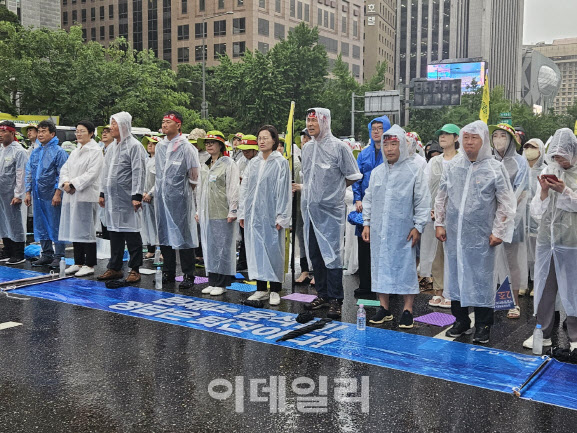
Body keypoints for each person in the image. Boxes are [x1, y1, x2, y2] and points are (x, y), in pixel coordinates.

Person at [435, 120, 516, 344]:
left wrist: (499, 230)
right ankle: (461, 321)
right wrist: (439, 223)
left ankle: (483, 325)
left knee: (482, 280)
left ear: (483, 141)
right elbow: (441, 196)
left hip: (482, 237)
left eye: (475, 138)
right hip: (454, 235)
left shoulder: (494, 168)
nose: (469, 142)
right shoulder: (453, 166)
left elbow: (506, 203)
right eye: (466, 138)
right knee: (456, 277)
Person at [362, 125, 430, 328]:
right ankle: (384, 308)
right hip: (379, 230)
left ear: (402, 145)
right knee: (380, 266)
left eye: (394, 144)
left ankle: (407, 309)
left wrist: (418, 226)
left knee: (405, 269)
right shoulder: (377, 173)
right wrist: (366, 223)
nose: (390, 149)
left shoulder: (413, 171)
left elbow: (422, 201)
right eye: (386, 144)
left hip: (404, 231)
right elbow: (369, 200)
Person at [302, 108, 362, 319]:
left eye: (314, 121)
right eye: (308, 121)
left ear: (325, 121)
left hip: (331, 212)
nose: (310, 125)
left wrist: (335, 191)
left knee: (333, 256)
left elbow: (354, 175)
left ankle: (336, 299)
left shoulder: (339, 147)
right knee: (316, 256)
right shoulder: (307, 148)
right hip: (311, 211)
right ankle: (323, 295)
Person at [523, 128, 577, 355]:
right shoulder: (548, 170)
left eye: (563, 155)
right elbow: (537, 211)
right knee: (545, 286)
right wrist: (544, 191)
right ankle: (542, 331)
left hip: (572, 242)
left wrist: (564, 190)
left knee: (573, 290)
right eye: (555, 156)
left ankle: (575, 335)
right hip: (548, 241)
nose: (559, 160)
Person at [239, 125, 291, 305]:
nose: (261, 141)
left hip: (271, 215)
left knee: (273, 251)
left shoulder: (280, 162)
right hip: (254, 215)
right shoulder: (253, 163)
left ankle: (275, 289)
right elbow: (245, 188)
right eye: (259, 138)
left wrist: (282, 216)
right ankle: (261, 288)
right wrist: (242, 212)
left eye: (265, 138)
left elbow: (283, 191)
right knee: (256, 251)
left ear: (274, 140)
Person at [97, 112, 147, 284]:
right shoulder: (111, 147)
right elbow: (106, 173)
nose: (111, 127)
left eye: (114, 123)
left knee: (132, 234)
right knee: (114, 233)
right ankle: (115, 267)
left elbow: (139, 172)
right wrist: (102, 192)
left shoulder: (134, 146)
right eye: (111, 123)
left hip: (128, 199)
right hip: (112, 199)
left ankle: (135, 269)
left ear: (124, 125)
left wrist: (137, 195)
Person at [155, 111, 201, 290]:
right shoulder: (160, 146)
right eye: (163, 121)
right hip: (162, 198)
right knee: (165, 234)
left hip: (180, 199)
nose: (164, 125)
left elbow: (194, 176)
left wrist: (184, 194)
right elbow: (159, 174)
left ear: (178, 125)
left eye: (168, 122)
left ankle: (189, 274)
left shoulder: (186, 147)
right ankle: (168, 271)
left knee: (183, 236)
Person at [490, 123, 530, 318]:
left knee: (512, 260)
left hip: (514, 219)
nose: (498, 139)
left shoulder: (520, 162)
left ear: (511, 140)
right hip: (490, 217)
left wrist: (507, 212)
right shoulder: (488, 160)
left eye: (502, 136)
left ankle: (513, 302)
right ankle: (492, 298)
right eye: (495, 135)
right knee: (489, 260)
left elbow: (522, 190)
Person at [58, 121, 104, 277]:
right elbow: (65, 168)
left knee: (87, 231)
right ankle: (78, 262)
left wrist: (73, 184)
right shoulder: (76, 150)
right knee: (75, 229)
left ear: (91, 133)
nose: (78, 134)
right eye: (77, 131)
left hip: (86, 195)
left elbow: (92, 174)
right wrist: (65, 182)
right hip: (72, 196)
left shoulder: (96, 151)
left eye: (82, 131)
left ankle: (89, 264)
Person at [421, 124, 460, 308]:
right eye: (440, 134)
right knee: (437, 253)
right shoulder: (434, 162)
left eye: (447, 134)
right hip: (437, 215)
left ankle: (453, 291)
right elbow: (426, 186)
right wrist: (429, 207)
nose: (442, 137)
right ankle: (438, 290)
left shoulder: (462, 160)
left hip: (456, 215)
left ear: (456, 138)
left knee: (454, 253)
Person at [351, 115, 390, 299]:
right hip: (365, 207)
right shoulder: (364, 153)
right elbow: (357, 178)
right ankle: (366, 285)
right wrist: (357, 199)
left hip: (385, 207)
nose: (376, 131)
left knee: (384, 248)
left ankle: (385, 286)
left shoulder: (391, 152)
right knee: (364, 246)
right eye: (373, 128)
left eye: (380, 128)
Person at [197, 131, 239, 296]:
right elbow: (200, 190)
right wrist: (198, 209)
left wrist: (233, 209)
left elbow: (233, 187)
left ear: (220, 145)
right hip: (208, 213)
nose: (208, 145)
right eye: (206, 142)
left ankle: (222, 282)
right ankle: (212, 279)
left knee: (223, 248)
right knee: (210, 248)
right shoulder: (204, 165)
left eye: (212, 142)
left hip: (222, 212)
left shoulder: (228, 163)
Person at [24, 120, 69, 268]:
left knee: (55, 224)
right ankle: (46, 254)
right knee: (41, 224)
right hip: (38, 195)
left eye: (44, 131)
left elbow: (62, 175)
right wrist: (28, 192)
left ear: (52, 134)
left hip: (52, 194)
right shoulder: (36, 152)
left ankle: (59, 255)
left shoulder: (59, 152)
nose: (40, 134)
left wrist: (58, 193)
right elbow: (29, 173)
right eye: (40, 131)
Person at [0, 121, 28, 265]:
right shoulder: (0, 149)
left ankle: (18, 253)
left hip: (12, 194)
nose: (1, 134)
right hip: (1, 194)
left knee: (15, 222)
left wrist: (18, 194)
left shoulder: (19, 151)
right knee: (3, 223)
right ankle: (7, 250)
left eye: (4, 132)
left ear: (12, 133)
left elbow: (21, 174)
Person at [522, 138, 546, 286]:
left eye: (533, 147)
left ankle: (536, 281)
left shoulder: (545, 170)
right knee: (524, 250)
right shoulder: (521, 169)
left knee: (537, 250)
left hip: (538, 217)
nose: (529, 150)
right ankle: (524, 280)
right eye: (527, 147)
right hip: (522, 216)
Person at [293, 128, 313, 285]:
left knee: (316, 239)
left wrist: (302, 187)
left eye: (308, 138)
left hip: (317, 207)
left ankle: (318, 273)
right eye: (303, 138)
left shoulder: (319, 158)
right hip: (301, 206)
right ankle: (305, 270)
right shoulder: (298, 159)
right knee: (301, 237)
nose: (304, 141)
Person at [236, 134, 259, 272]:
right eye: (243, 149)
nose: (245, 152)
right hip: (243, 202)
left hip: (256, 203)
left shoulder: (258, 162)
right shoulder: (240, 162)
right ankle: (243, 261)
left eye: (248, 150)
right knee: (244, 234)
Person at [141, 135, 160, 260]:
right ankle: (151, 248)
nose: (149, 145)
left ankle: (162, 249)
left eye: (153, 143)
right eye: (148, 143)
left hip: (156, 197)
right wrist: (143, 193)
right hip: (145, 197)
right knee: (147, 224)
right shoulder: (146, 161)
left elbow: (159, 180)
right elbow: (141, 178)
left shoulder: (160, 161)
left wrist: (151, 193)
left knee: (159, 224)